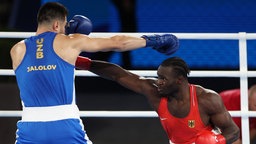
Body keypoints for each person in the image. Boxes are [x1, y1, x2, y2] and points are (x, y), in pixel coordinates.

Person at [10, 2, 179, 144]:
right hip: (65, 125)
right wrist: (155, 41)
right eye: (64, 26)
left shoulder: (16, 50)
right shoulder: (69, 42)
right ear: (56, 25)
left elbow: (42, 65)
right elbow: (117, 43)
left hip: (29, 127)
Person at [75, 56, 240, 144]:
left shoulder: (207, 99)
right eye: (158, 76)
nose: (158, 82)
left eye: (163, 78)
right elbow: (119, 74)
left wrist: (217, 141)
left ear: (180, 80)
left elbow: (233, 131)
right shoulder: (155, 91)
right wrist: (83, 63)